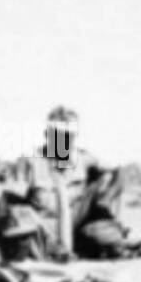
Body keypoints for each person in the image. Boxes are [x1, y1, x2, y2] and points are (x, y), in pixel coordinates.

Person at [26, 106, 99, 257]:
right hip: (43, 237)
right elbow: (14, 205)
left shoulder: (85, 160)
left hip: (76, 230)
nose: (64, 141)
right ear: (48, 135)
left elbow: (111, 176)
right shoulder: (33, 164)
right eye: (58, 135)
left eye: (69, 135)